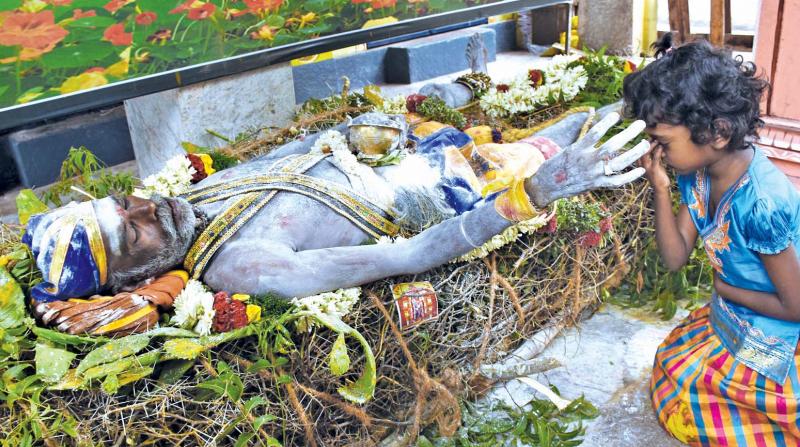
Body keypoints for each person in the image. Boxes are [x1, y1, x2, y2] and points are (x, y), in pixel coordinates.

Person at [24, 106, 649, 334]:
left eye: (127, 203)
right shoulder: (241, 265)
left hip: (401, 150)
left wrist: (348, 134)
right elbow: (407, 258)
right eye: (133, 232)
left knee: (586, 118)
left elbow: (285, 156)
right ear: (136, 281)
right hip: (445, 189)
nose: (147, 208)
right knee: (567, 136)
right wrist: (533, 192)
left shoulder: (194, 201)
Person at [629, 33, 800, 446]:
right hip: (734, 316)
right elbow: (674, 258)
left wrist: (726, 288)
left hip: (780, 332)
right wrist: (660, 187)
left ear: (717, 133)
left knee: (707, 409)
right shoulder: (698, 173)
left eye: (663, 142)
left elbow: (796, 307)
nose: (655, 150)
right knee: (677, 379)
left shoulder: (762, 202)